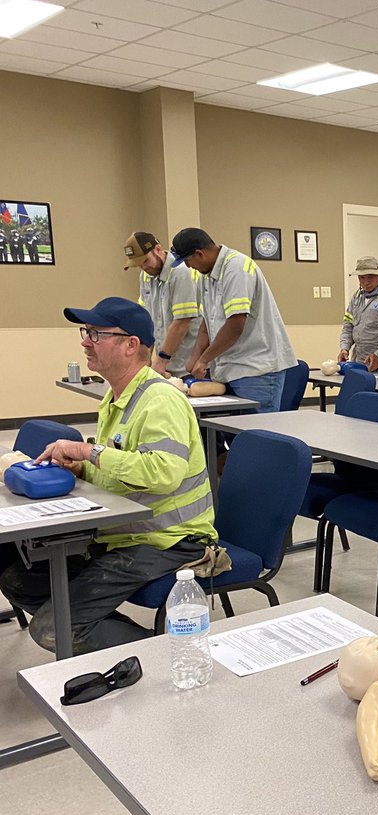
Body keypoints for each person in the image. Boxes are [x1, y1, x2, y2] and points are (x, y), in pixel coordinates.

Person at [0, 298, 217, 655]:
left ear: (131, 345)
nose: (85, 341)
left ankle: (175, 653)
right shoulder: (117, 399)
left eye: (96, 334)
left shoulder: (160, 400)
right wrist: (83, 468)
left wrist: (90, 453)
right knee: (19, 580)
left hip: (169, 541)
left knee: (54, 629)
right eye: (86, 333)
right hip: (127, 534)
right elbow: (122, 471)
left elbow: (163, 472)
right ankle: (106, 628)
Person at [169, 227, 297, 413]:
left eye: (187, 261)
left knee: (257, 434)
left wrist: (204, 360)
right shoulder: (207, 276)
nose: (188, 267)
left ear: (199, 253)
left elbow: (236, 323)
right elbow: (207, 322)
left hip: (257, 369)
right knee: (231, 432)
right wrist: (194, 356)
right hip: (230, 368)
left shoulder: (236, 268)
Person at [123, 231, 202, 376]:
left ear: (158, 250)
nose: (143, 268)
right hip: (166, 367)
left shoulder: (180, 272)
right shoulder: (146, 276)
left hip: (187, 367)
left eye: (145, 261)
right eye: (138, 265)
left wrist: (161, 360)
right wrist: (143, 358)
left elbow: (182, 321)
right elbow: (146, 321)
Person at [340, 256, 378, 371]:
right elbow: (348, 326)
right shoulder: (357, 296)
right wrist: (344, 348)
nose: (366, 282)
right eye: (362, 278)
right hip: (359, 362)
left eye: (370, 277)